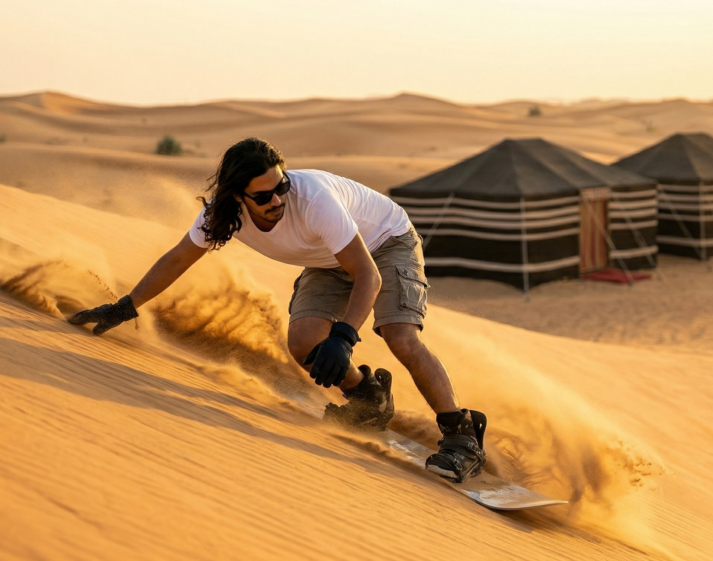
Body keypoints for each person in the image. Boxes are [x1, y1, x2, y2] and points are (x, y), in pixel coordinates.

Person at [68, 137, 486, 483]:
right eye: (264, 195)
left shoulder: (315, 201)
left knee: (399, 334)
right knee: (303, 341)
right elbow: (178, 258)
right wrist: (125, 307)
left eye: (282, 187)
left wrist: (344, 337)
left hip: (386, 243)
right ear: (238, 196)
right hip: (327, 259)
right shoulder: (221, 216)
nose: (277, 200)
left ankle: (462, 435)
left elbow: (368, 276)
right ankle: (367, 396)